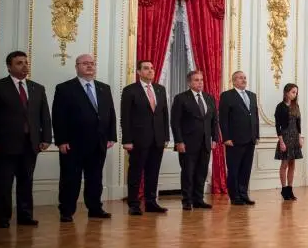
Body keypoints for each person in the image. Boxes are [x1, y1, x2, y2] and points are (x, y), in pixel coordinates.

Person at [0, 51, 51, 228]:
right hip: (4, 145)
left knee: (26, 182)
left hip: (30, 144)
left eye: (26, 62)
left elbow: (44, 116)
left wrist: (46, 138)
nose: (25, 66)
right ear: (9, 66)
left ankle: (25, 216)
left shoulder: (37, 88)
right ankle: (2, 218)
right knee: (3, 183)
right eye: (19, 63)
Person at [52, 53, 116, 223]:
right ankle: (66, 211)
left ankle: (95, 208)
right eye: (85, 63)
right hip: (73, 144)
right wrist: (61, 140)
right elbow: (58, 117)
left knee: (95, 178)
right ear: (77, 67)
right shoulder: (65, 88)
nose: (89, 66)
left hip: (98, 142)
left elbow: (110, 113)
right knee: (70, 179)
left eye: (92, 63)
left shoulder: (104, 88)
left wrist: (111, 136)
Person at [121, 59, 170, 215]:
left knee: (153, 172)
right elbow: (125, 117)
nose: (150, 71)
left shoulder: (160, 89)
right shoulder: (130, 90)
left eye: (152, 68)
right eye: (146, 68)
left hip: (158, 139)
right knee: (135, 173)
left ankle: (151, 203)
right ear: (138, 72)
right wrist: (127, 140)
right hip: (138, 140)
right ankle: (133, 204)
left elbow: (164, 114)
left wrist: (166, 137)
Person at [171, 70, 219, 210]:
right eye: (196, 80)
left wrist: (215, 138)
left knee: (201, 172)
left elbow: (214, 121)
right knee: (188, 173)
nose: (200, 83)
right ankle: (187, 200)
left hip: (205, 143)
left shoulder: (209, 98)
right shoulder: (181, 98)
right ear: (189, 83)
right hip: (187, 143)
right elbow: (175, 122)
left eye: (201, 80)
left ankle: (198, 199)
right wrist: (179, 141)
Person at [219, 71, 260, 205]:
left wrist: (256, 135)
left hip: (250, 139)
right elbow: (223, 119)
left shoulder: (252, 95)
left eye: (244, 78)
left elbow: (255, 116)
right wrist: (226, 138)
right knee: (234, 169)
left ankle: (243, 194)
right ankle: (235, 196)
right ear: (234, 81)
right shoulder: (227, 96)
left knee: (246, 169)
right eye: (240, 78)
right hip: (234, 140)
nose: (244, 80)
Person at [274, 83, 304, 200]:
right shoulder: (280, 107)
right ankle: (284, 189)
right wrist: (281, 141)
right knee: (284, 164)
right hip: (285, 137)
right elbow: (278, 126)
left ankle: (290, 190)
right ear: (286, 92)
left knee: (292, 164)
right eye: (293, 92)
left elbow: (298, 124)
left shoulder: (296, 106)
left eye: (296, 92)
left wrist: (300, 138)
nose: (295, 94)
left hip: (295, 137)